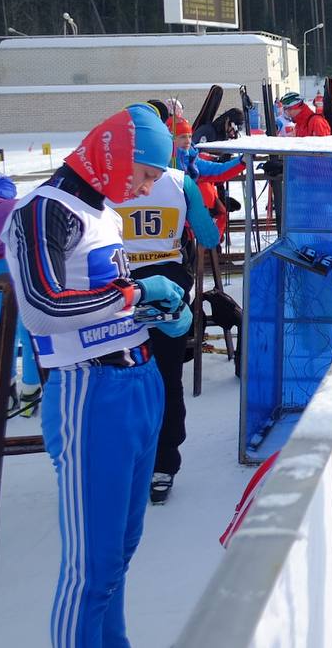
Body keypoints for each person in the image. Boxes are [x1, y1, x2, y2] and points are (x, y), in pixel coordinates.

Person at [0, 104, 193, 646]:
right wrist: (134, 293)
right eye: (145, 173)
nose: (145, 187)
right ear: (116, 153)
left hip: (136, 385)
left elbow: (102, 300)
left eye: (155, 178)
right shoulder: (43, 210)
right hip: (90, 391)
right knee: (91, 568)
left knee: (116, 561)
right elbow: (43, 307)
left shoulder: (103, 212)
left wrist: (156, 312)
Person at [111, 162, 220, 503]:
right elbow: (209, 237)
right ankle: (163, 465)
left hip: (116, 285)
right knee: (166, 378)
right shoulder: (179, 181)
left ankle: (120, 462)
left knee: (116, 380)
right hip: (166, 288)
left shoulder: (109, 177)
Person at [0, 171, 39, 417]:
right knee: (26, 325)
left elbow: (6, 185)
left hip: (5, 259)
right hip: (14, 256)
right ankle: (28, 391)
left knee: (4, 329)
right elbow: (6, 187)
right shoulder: (6, 198)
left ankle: (7, 389)